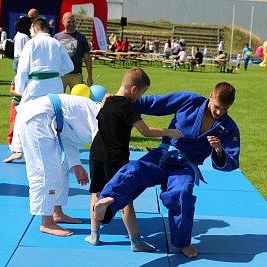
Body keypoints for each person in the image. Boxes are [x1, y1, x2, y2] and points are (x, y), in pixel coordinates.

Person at [94, 82, 240, 258]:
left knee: (182, 195)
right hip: (163, 155)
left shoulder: (229, 127)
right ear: (211, 96)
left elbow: (232, 160)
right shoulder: (190, 100)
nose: (219, 113)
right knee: (133, 170)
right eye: (216, 107)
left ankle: (182, 242)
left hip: (185, 166)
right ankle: (105, 209)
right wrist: (119, 101)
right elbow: (156, 102)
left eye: (224, 110)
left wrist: (219, 151)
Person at [85, 68, 182, 250]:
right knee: (124, 196)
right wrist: (169, 132)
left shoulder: (107, 101)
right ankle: (135, 241)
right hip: (116, 157)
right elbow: (145, 131)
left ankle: (94, 235)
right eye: (141, 93)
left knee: (97, 194)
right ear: (134, 89)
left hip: (96, 154)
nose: (140, 98)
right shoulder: (127, 107)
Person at [15, 93, 102, 236]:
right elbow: (100, 151)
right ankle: (46, 222)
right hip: (37, 119)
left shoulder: (99, 113)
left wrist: (76, 164)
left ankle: (57, 212)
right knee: (46, 171)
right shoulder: (101, 119)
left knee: (61, 169)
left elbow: (70, 136)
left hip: (51, 120)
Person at [3, 18, 73, 162]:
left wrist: (21, 88)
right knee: (55, 114)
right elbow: (69, 66)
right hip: (55, 83)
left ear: (34, 29)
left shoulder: (31, 43)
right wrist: (55, 71)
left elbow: (22, 69)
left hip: (36, 84)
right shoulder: (56, 43)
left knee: (21, 113)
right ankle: (60, 147)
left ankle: (17, 149)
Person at [54, 12, 93, 92]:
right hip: (61, 75)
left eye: (73, 21)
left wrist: (90, 76)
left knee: (77, 100)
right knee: (59, 98)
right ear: (63, 21)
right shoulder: (57, 37)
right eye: (69, 22)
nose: (71, 24)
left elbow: (87, 58)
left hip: (76, 75)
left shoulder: (81, 37)